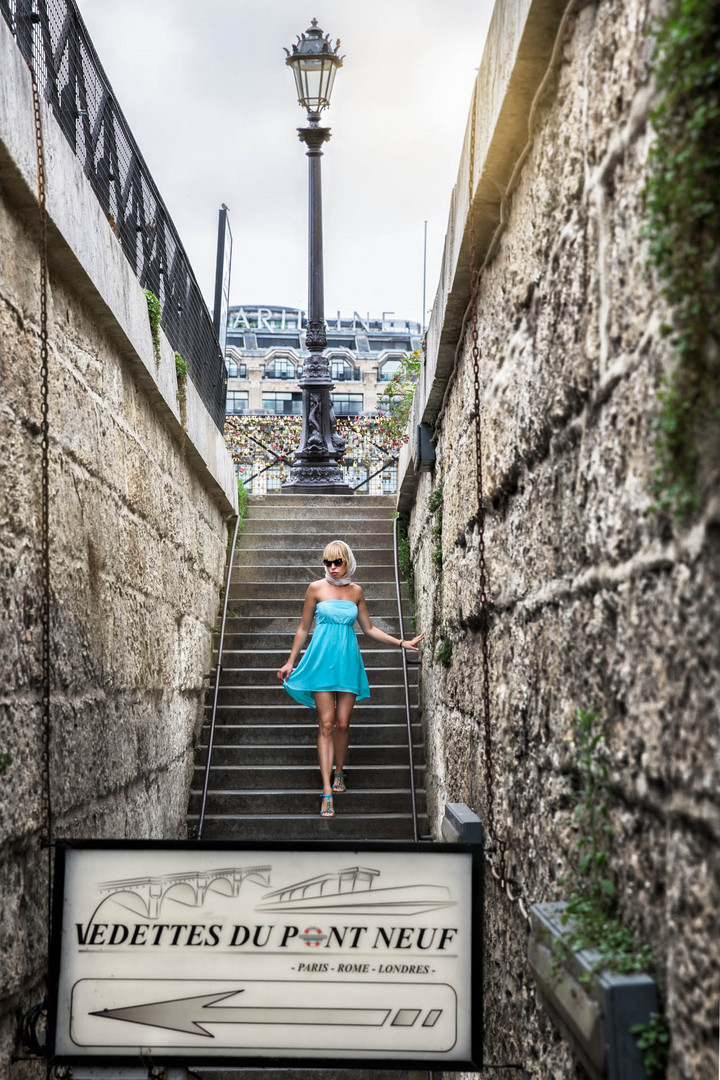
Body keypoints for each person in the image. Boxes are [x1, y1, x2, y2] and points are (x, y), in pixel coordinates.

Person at [277, 540, 424, 818]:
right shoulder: (315, 589)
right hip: (320, 662)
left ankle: (340, 772)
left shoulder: (356, 591)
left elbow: (368, 629)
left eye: (337, 562)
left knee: (343, 724)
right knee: (327, 724)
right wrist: (290, 661)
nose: (332, 568)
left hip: (347, 662)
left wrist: (400, 642)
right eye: (327, 562)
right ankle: (327, 792)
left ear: (347, 562)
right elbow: (303, 627)